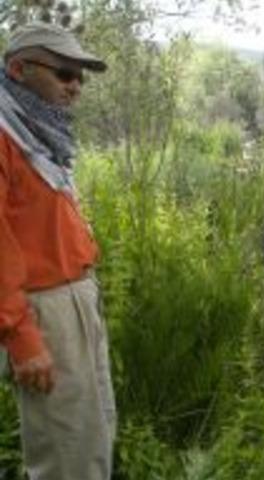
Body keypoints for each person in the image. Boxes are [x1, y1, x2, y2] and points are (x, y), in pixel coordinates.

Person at [0, 22, 115, 479]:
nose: (76, 88)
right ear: (18, 68)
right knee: (66, 456)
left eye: (81, 78)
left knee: (94, 437)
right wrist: (22, 336)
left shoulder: (38, 133)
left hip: (76, 299)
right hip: (45, 312)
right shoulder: (6, 136)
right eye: (66, 74)